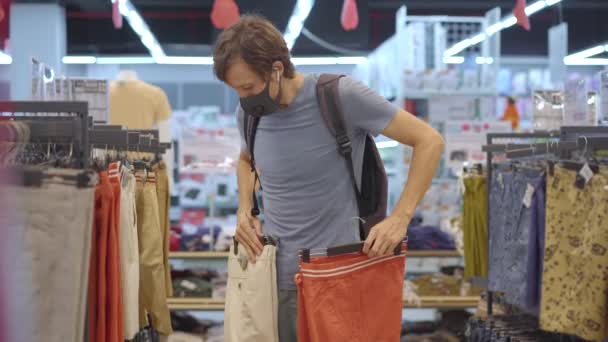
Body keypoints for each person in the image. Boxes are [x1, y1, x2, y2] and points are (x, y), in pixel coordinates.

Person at [212, 14, 444, 341]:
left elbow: (429, 141)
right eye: (237, 90)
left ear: (276, 69)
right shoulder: (249, 116)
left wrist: (401, 218)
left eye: (249, 87)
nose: (245, 98)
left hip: (340, 279)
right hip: (275, 280)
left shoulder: (339, 97)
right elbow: (246, 159)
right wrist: (244, 208)